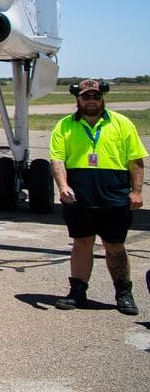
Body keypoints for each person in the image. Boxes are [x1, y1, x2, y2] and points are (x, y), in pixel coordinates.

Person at [49, 79, 146, 315]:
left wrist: (136, 191)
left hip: (114, 196)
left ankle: (123, 293)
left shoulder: (122, 123)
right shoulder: (64, 126)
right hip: (79, 197)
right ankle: (78, 292)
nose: (91, 101)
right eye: (86, 97)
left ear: (102, 98)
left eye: (95, 96)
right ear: (78, 99)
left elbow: (135, 160)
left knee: (115, 245)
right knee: (81, 243)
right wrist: (62, 186)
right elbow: (58, 160)